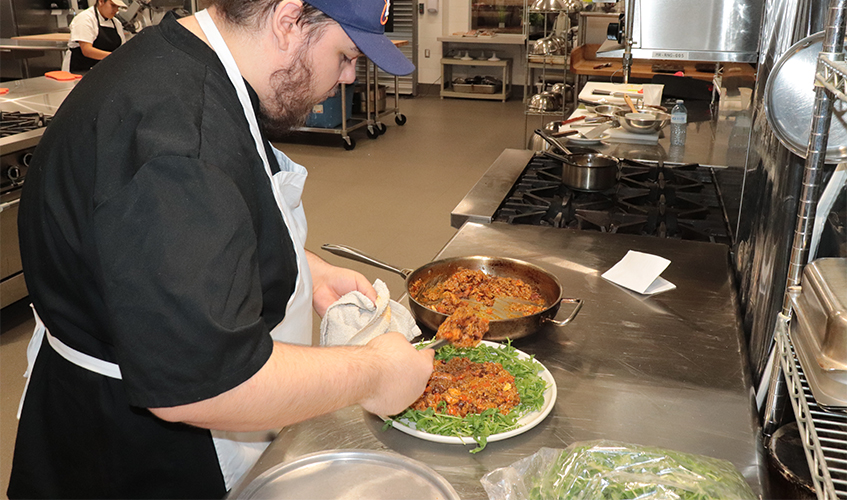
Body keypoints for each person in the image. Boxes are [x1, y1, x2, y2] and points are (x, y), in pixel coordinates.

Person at [8, 0, 434, 498]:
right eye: (345, 56)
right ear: (288, 21)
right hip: (133, 459)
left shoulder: (185, 59)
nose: (346, 77)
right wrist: (375, 374)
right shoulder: (181, 134)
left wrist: (304, 268)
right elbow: (207, 379)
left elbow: (189, 227)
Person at [64, 0, 127, 72]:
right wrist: (114, 56)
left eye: (118, 7)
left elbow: (122, 48)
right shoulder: (85, 18)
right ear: (101, 1)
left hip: (104, 71)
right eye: (113, 6)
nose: (116, 10)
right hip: (80, 71)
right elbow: (87, 50)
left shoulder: (116, 23)